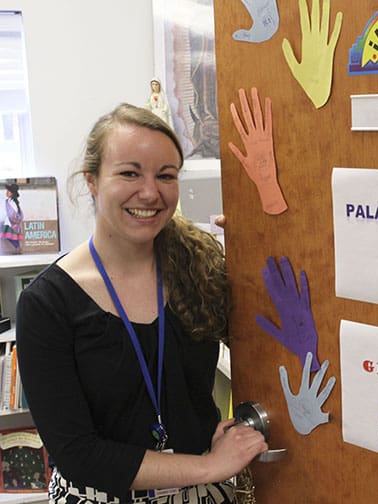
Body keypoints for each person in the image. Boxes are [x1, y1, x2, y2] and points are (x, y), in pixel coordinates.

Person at [15, 103, 268, 503]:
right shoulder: (47, 304)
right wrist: (211, 465)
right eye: (129, 173)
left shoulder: (197, 268)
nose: (150, 192)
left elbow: (269, 343)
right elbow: (78, 453)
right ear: (92, 181)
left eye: (165, 176)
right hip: (103, 495)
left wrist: (262, 237)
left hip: (203, 492)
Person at [0, 182, 23, 252]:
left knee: (11, 236)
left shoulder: (13, 202)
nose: (7, 192)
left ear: (12, 193)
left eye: (8, 191)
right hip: (8, 221)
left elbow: (14, 212)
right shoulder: (8, 201)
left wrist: (14, 222)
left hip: (12, 222)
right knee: (8, 236)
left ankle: (18, 247)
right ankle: (17, 247)